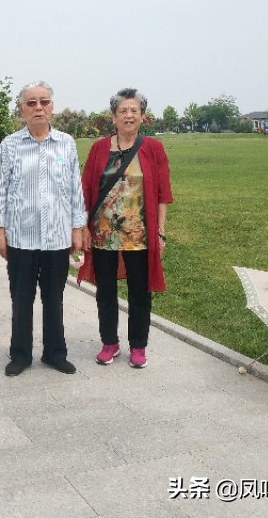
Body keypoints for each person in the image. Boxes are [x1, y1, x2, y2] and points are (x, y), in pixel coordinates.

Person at [0, 81, 86, 377]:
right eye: (31, 103)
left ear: (52, 106)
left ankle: (55, 353)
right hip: (21, 236)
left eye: (44, 101)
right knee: (21, 298)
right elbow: (1, 190)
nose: (38, 107)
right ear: (22, 109)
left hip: (57, 236)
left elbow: (74, 189)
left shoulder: (66, 143)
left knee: (53, 298)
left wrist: (77, 227)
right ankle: (20, 354)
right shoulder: (10, 145)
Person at [78, 88, 173, 369]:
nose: (128, 115)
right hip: (103, 234)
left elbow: (162, 193)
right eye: (123, 111)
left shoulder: (153, 148)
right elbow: (85, 190)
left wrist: (161, 231)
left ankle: (138, 347)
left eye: (134, 111)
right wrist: (83, 227)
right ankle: (109, 343)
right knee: (105, 292)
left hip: (139, 236)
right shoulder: (99, 148)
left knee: (139, 292)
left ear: (142, 116)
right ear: (114, 117)